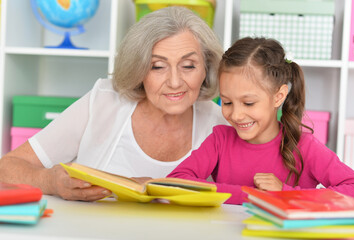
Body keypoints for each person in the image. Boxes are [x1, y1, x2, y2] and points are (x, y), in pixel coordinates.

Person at [0, 7, 227, 201]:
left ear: (206, 68)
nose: (175, 82)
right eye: (157, 66)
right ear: (139, 70)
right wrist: (50, 181)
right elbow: (7, 167)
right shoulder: (104, 101)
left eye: (188, 66)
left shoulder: (221, 121)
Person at [168, 37, 354, 205]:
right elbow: (176, 181)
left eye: (248, 103)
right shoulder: (220, 140)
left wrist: (285, 194)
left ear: (278, 97)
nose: (236, 115)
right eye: (226, 102)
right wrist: (250, 195)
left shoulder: (304, 146)